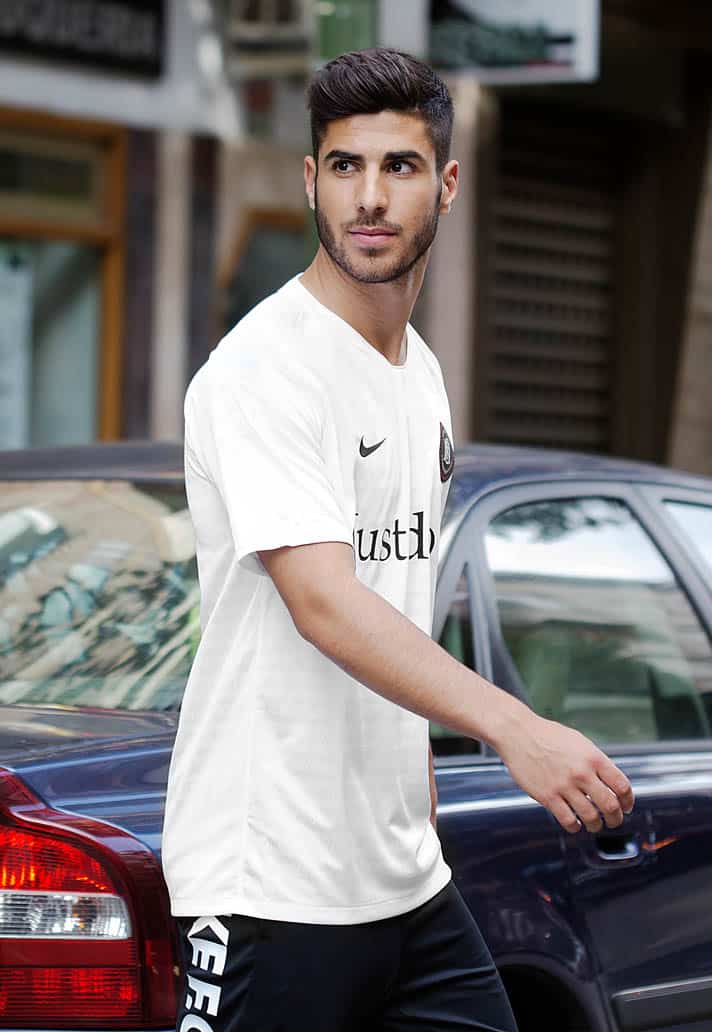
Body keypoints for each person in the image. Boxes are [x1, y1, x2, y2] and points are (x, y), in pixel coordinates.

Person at [162, 47, 635, 1032]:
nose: (369, 197)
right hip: (270, 884)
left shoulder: (417, 372)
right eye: (345, 166)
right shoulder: (265, 370)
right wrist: (515, 728)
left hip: (403, 882)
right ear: (311, 180)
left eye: (399, 166)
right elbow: (325, 602)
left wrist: (413, 788)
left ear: (446, 184)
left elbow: (397, 593)